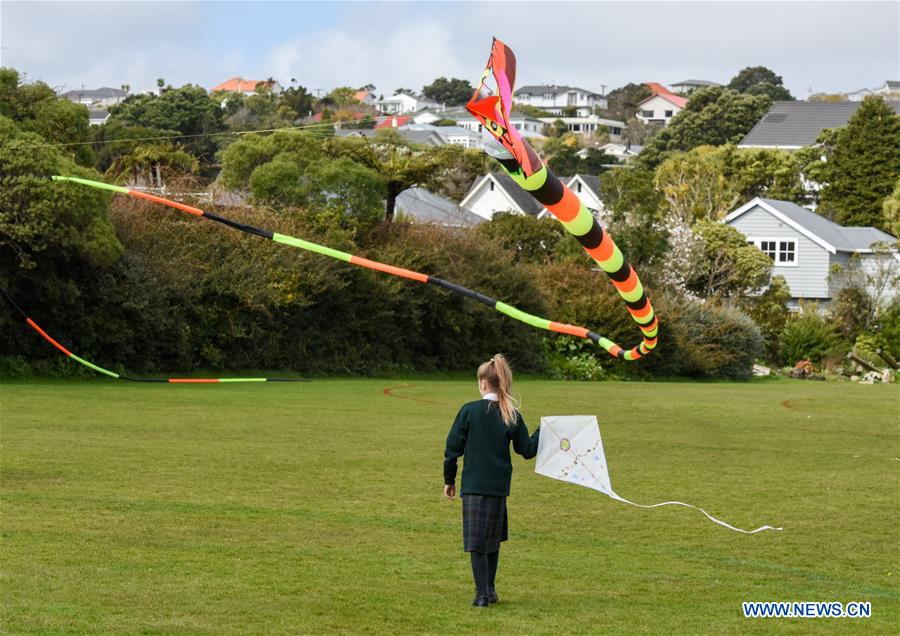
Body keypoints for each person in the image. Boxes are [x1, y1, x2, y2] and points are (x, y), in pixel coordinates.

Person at [443, 353, 540, 608]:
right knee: (492, 539)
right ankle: (490, 589)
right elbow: (528, 449)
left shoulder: (469, 411)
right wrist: (545, 431)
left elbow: (453, 448)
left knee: (477, 542)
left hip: (474, 487)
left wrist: (449, 479)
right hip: (498, 488)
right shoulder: (511, 415)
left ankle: (481, 595)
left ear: (484, 383)